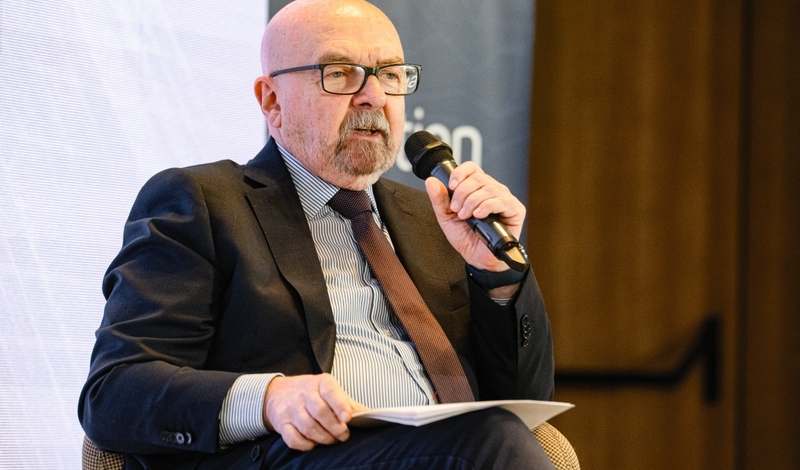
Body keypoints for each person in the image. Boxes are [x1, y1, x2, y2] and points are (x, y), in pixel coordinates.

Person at [78, 1, 555, 468]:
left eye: (391, 75)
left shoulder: (436, 217)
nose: (374, 97)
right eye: (340, 74)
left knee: (499, 434)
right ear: (272, 100)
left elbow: (525, 403)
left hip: (454, 450)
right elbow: (115, 392)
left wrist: (498, 279)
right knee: (491, 439)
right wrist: (271, 399)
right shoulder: (201, 203)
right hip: (303, 455)